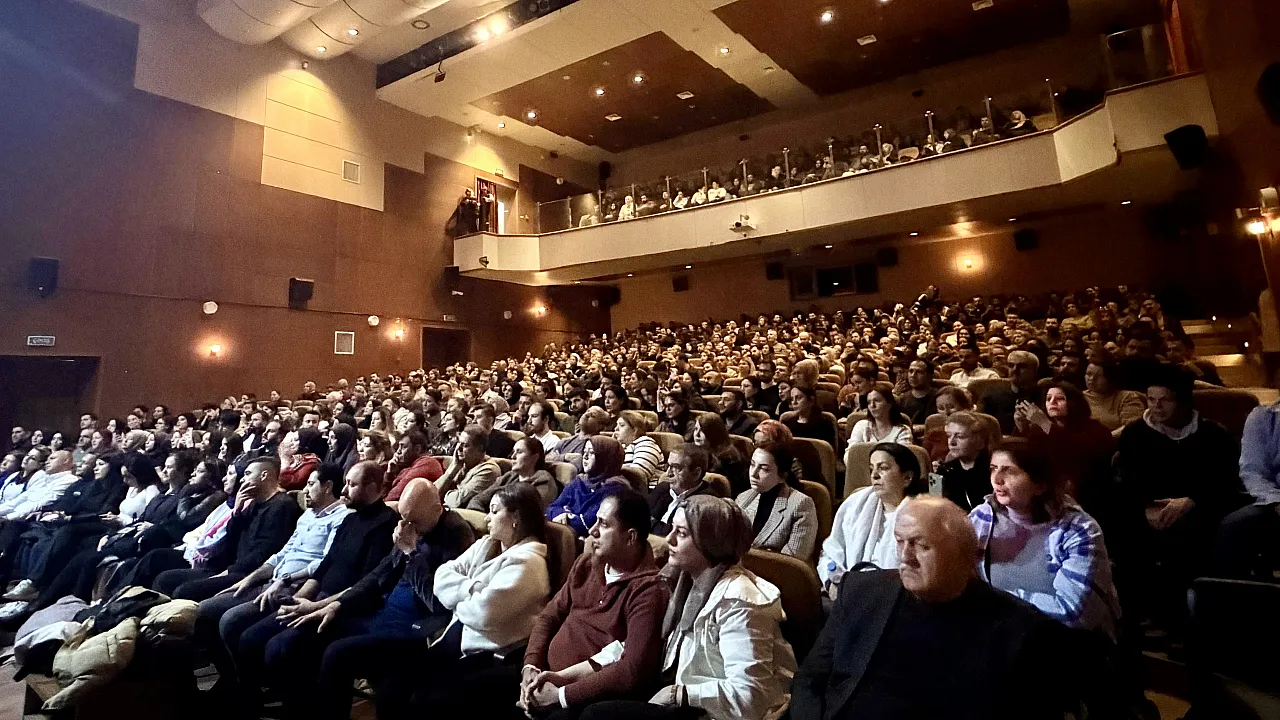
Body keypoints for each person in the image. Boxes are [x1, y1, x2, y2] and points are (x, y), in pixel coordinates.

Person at [791, 496, 1075, 720]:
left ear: (963, 555)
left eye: (921, 545)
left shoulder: (1020, 633)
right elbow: (810, 679)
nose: (905, 557)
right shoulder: (862, 592)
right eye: (900, 542)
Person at [239, 479, 474, 720]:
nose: (406, 526)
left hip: (414, 627)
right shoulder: (411, 527)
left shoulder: (455, 534)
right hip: (380, 611)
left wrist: (411, 554)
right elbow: (378, 576)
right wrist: (335, 605)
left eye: (414, 521)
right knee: (302, 635)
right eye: (404, 518)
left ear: (437, 509)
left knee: (337, 654)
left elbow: (437, 601)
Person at [577, 495, 795, 720]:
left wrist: (677, 693)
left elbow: (750, 695)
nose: (668, 539)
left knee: (596, 715)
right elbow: (643, 644)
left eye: (681, 533)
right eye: (671, 529)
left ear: (710, 543)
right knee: (578, 705)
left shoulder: (740, 601)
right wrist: (574, 673)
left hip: (711, 713)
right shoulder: (683, 580)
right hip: (681, 699)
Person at [376, 484, 551, 720]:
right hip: (456, 641)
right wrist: (473, 590)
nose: (487, 518)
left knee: (423, 701)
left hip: (489, 655)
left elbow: (483, 615)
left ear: (515, 519)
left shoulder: (529, 564)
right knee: (391, 685)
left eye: (494, 511)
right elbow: (442, 576)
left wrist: (457, 599)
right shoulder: (486, 544)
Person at [514, 489, 669, 714]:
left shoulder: (649, 591)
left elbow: (631, 670)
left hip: (581, 696)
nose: (592, 530)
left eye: (603, 524)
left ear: (630, 537)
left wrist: (561, 696)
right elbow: (549, 616)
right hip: (542, 675)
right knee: (468, 687)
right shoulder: (586, 564)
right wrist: (531, 666)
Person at [193, 462, 352, 680]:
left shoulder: (341, 518)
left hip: (296, 587)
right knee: (205, 610)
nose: (305, 490)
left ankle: (247, 684)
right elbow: (282, 554)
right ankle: (230, 677)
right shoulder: (307, 515)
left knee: (230, 621)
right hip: (273, 581)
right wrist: (250, 579)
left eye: (311, 484)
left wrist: (285, 580)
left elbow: (324, 562)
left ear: (327, 486)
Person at [1115, 366, 1244, 626]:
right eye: (1151, 399)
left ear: (1183, 401)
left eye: (1165, 400)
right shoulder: (1135, 434)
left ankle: (1189, 619)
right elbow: (1126, 480)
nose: (1156, 406)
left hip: (1198, 507)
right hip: (1146, 510)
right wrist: (1145, 507)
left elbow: (1226, 480)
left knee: (1193, 536)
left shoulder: (1212, 435)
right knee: (1128, 533)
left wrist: (1191, 500)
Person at [971, 442, 1121, 639]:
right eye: (993, 469)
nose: (997, 479)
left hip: (1066, 643)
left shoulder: (1078, 529)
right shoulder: (982, 517)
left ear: (1039, 485)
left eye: (1010, 471)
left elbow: (1074, 613)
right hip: (1002, 638)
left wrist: (996, 600)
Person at [152, 456, 301, 601]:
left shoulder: (282, 506)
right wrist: (237, 512)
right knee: (164, 578)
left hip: (249, 574)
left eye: (248, 474)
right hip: (229, 566)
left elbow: (264, 552)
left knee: (184, 591)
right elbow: (231, 538)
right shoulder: (253, 503)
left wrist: (227, 572)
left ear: (264, 475)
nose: (242, 479)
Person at [818, 443, 927, 602]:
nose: (874, 475)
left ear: (907, 478)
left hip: (896, 600)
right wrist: (831, 583)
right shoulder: (855, 504)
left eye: (883, 468)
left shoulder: (921, 516)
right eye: (871, 468)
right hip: (846, 594)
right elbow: (831, 551)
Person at [1218, 397, 1280, 578]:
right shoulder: (1263, 418)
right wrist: (1276, 501)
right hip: (1274, 501)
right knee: (1233, 527)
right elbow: (1253, 470)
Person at [735, 444, 817, 559]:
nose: (753, 474)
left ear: (782, 476)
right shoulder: (743, 497)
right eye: (752, 464)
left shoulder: (801, 504)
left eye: (764, 469)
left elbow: (793, 561)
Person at [547, 437, 629, 537]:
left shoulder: (616, 489)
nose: (585, 457)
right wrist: (562, 514)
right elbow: (553, 507)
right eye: (584, 452)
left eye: (591, 453)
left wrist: (567, 516)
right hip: (565, 533)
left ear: (605, 458)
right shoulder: (579, 481)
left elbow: (589, 523)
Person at [648, 444, 719, 536]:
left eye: (676, 468)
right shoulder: (662, 488)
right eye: (668, 466)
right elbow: (639, 519)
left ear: (696, 473)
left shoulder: (705, 504)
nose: (668, 473)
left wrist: (651, 522)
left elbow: (675, 535)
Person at [436, 425, 502, 511]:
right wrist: (453, 469)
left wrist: (446, 492)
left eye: (465, 445)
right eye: (458, 443)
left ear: (480, 448)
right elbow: (432, 492)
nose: (458, 449)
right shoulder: (460, 463)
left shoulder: (489, 471)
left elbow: (457, 502)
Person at [935, 411, 992, 511]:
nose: (951, 442)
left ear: (979, 441)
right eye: (949, 436)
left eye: (960, 437)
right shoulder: (945, 471)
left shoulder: (992, 471)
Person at [984, 350, 1045, 434]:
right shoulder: (991, 395)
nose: (1015, 369)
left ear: (1034, 371)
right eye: (1011, 365)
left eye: (1022, 366)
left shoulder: (1046, 396)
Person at [1083, 359, 1145, 435]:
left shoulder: (1127, 397)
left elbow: (1132, 426)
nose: (1092, 379)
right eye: (1089, 374)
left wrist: (1108, 437)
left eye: (1099, 376)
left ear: (1109, 378)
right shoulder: (1078, 396)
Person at [384, 430, 444, 505]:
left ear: (417, 449)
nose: (398, 452)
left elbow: (395, 495)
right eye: (398, 447)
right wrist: (389, 474)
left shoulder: (427, 463)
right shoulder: (407, 466)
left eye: (403, 447)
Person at [548, 406, 609, 472]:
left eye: (592, 415)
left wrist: (557, 458)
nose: (586, 414)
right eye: (587, 411)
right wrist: (565, 457)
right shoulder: (565, 441)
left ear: (600, 426)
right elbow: (547, 460)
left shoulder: (596, 447)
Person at [848, 385, 912, 445]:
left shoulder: (902, 431)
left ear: (890, 404)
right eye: (869, 402)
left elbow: (903, 453)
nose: (872, 405)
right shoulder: (861, 426)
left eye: (877, 401)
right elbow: (851, 452)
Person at [781, 386, 838, 451]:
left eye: (798, 398)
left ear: (811, 400)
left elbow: (828, 452)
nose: (794, 402)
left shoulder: (824, 424)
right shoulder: (787, 423)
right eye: (792, 399)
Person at [616, 411, 665, 486]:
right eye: (616, 425)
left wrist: (612, 468)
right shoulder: (622, 447)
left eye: (622, 425)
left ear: (635, 430)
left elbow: (639, 475)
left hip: (643, 490)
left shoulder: (646, 443)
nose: (616, 429)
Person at [897, 359, 938, 425]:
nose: (913, 375)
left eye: (919, 372)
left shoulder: (938, 397)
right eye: (910, 371)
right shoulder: (902, 399)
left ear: (929, 376)